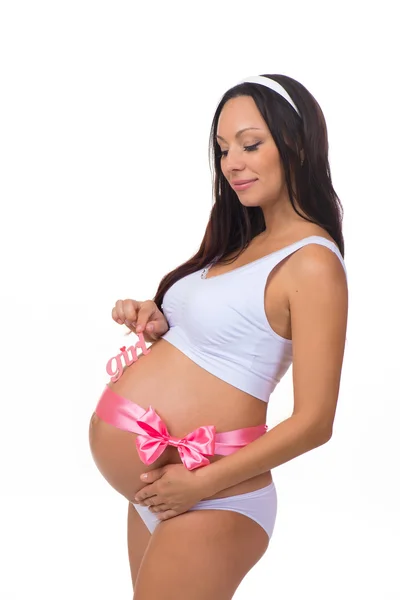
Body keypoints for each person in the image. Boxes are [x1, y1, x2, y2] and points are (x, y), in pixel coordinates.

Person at [88, 73, 348, 600]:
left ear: (296, 145)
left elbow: (316, 422)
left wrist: (200, 484)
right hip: (165, 491)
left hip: (211, 495)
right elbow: (222, 338)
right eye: (224, 148)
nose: (232, 162)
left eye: (251, 145)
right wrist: (159, 320)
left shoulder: (313, 264)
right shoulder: (242, 241)